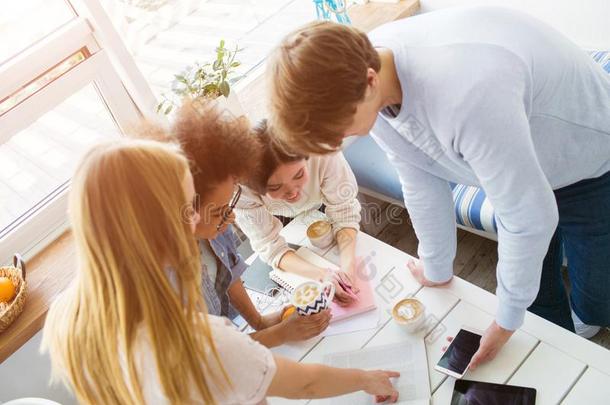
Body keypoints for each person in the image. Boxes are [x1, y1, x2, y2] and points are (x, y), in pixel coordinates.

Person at [266, 6, 610, 368]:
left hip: (589, 157)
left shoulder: (466, 93)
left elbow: (529, 219)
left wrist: (506, 319)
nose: (339, 141)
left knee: (596, 297)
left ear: (369, 82)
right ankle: (559, 345)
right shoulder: (369, 76)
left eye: (338, 129)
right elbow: (418, 177)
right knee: (537, 285)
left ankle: (586, 328)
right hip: (521, 155)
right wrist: (435, 266)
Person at [41, 138, 400, 404]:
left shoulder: (69, 314)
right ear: (161, 227)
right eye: (188, 208)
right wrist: (367, 379)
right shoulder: (197, 341)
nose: (199, 219)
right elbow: (303, 384)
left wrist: (263, 322)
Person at [170, 101, 331, 346]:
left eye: (230, 205)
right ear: (184, 212)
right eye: (220, 212)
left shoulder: (213, 225)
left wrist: (260, 322)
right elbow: (210, 356)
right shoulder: (167, 275)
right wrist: (278, 335)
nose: (231, 218)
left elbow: (229, 274)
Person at [235, 119, 363, 305]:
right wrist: (322, 275)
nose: (294, 192)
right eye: (276, 187)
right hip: (279, 216)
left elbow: (344, 211)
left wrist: (348, 269)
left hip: (323, 201)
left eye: (299, 175)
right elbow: (269, 246)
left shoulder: (322, 148)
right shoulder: (242, 190)